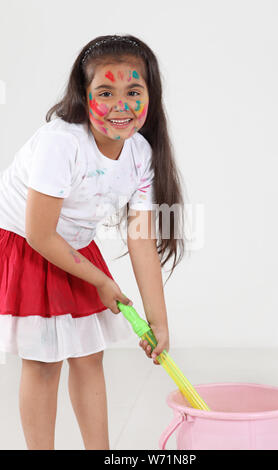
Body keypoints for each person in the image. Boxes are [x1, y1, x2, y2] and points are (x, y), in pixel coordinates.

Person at [0, 34, 185, 450]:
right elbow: (40, 234)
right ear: (83, 97)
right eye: (105, 91)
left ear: (150, 96)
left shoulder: (139, 152)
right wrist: (102, 281)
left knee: (89, 356)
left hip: (73, 246)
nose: (121, 104)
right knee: (45, 362)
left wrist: (159, 320)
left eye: (133, 91)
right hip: (26, 244)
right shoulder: (61, 144)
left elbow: (140, 238)